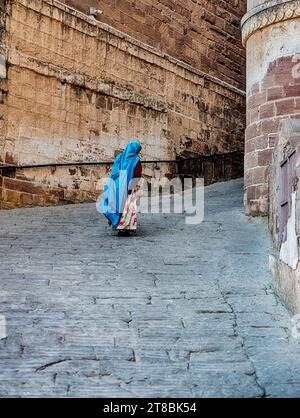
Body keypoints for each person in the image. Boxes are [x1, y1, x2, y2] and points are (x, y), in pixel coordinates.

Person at [98, 141, 142, 236]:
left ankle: (116, 223)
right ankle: (124, 229)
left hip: (116, 184)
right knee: (127, 207)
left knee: (116, 204)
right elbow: (137, 174)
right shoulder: (135, 160)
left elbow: (114, 172)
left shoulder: (119, 157)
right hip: (129, 185)